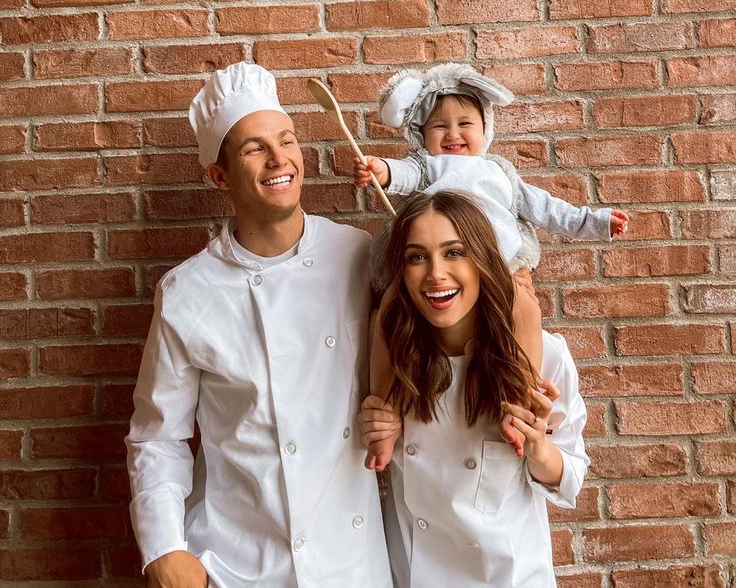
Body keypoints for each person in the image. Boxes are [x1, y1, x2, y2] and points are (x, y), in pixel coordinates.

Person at [126, 62, 392, 588]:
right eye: (254, 148)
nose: (280, 159)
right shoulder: (187, 292)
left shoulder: (359, 254)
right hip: (233, 562)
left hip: (351, 558)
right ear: (220, 176)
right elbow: (158, 436)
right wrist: (163, 549)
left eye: (287, 140)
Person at [354, 62, 628, 468]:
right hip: (446, 266)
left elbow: (546, 208)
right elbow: (402, 173)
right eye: (438, 127)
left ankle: (519, 403)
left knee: (525, 308)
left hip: (502, 263)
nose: (452, 134)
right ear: (420, 135)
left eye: (466, 123)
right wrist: (381, 169)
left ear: (485, 130)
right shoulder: (428, 166)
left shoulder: (500, 173)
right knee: (388, 311)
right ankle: (386, 412)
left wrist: (594, 221)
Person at [362, 190, 589, 588]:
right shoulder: (392, 362)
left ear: (482, 261)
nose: (435, 274)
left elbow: (569, 478)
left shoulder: (544, 356)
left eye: (454, 253)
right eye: (417, 257)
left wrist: (537, 446)